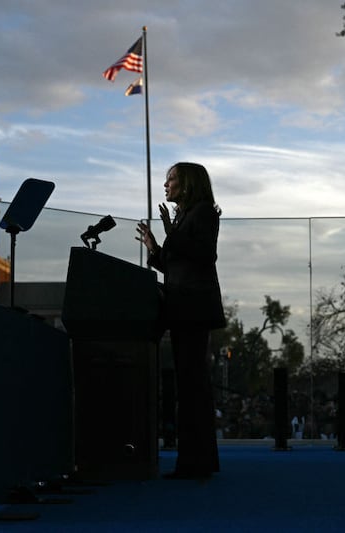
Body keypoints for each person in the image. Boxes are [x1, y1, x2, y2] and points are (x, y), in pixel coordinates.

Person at [136, 162, 226, 479]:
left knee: (194, 387)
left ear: (187, 183)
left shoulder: (202, 212)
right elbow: (177, 266)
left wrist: (170, 233)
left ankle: (197, 463)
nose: (166, 185)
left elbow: (203, 256)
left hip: (193, 309)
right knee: (189, 387)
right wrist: (154, 248)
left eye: (171, 179)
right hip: (181, 306)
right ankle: (193, 462)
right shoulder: (184, 217)